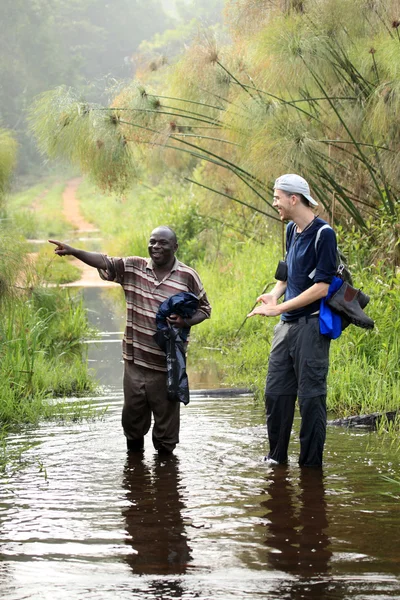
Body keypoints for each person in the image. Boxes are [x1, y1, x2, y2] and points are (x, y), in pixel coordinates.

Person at [49, 226, 211, 455]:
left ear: (175, 247)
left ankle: (166, 483)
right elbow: (104, 262)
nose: (156, 246)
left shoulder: (187, 276)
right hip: (134, 364)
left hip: (168, 365)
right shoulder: (134, 267)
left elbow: (205, 309)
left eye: (163, 243)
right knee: (132, 426)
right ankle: (136, 480)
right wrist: (74, 251)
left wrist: (185, 322)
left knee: (166, 435)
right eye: (153, 241)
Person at [248, 174, 337, 468]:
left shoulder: (325, 235)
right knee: (275, 394)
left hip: (311, 329)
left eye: (277, 197)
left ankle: (311, 470)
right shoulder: (290, 230)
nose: (275, 203)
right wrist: (274, 296)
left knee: (311, 401)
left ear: (293, 199)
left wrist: (280, 308)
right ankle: (276, 461)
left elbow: (322, 286)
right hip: (285, 327)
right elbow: (287, 276)